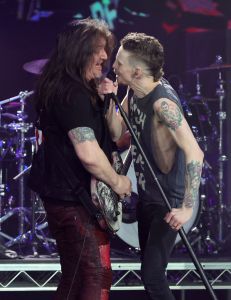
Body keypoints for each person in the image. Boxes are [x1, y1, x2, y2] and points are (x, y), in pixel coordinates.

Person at [31, 18, 131, 300]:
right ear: (78, 51)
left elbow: (115, 134)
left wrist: (108, 98)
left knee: (75, 277)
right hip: (74, 201)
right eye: (97, 50)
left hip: (67, 199)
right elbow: (88, 154)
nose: (104, 57)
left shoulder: (76, 89)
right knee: (96, 274)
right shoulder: (71, 93)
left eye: (106, 50)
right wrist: (118, 181)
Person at [99, 32, 204, 300]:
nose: (113, 66)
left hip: (167, 202)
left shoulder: (162, 103)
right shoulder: (135, 91)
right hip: (148, 196)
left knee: (153, 276)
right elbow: (115, 132)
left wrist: (187, 208)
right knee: (150, 276)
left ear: (136, 72)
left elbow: (195, 153)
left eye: (119, 63)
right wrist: (112, 98)